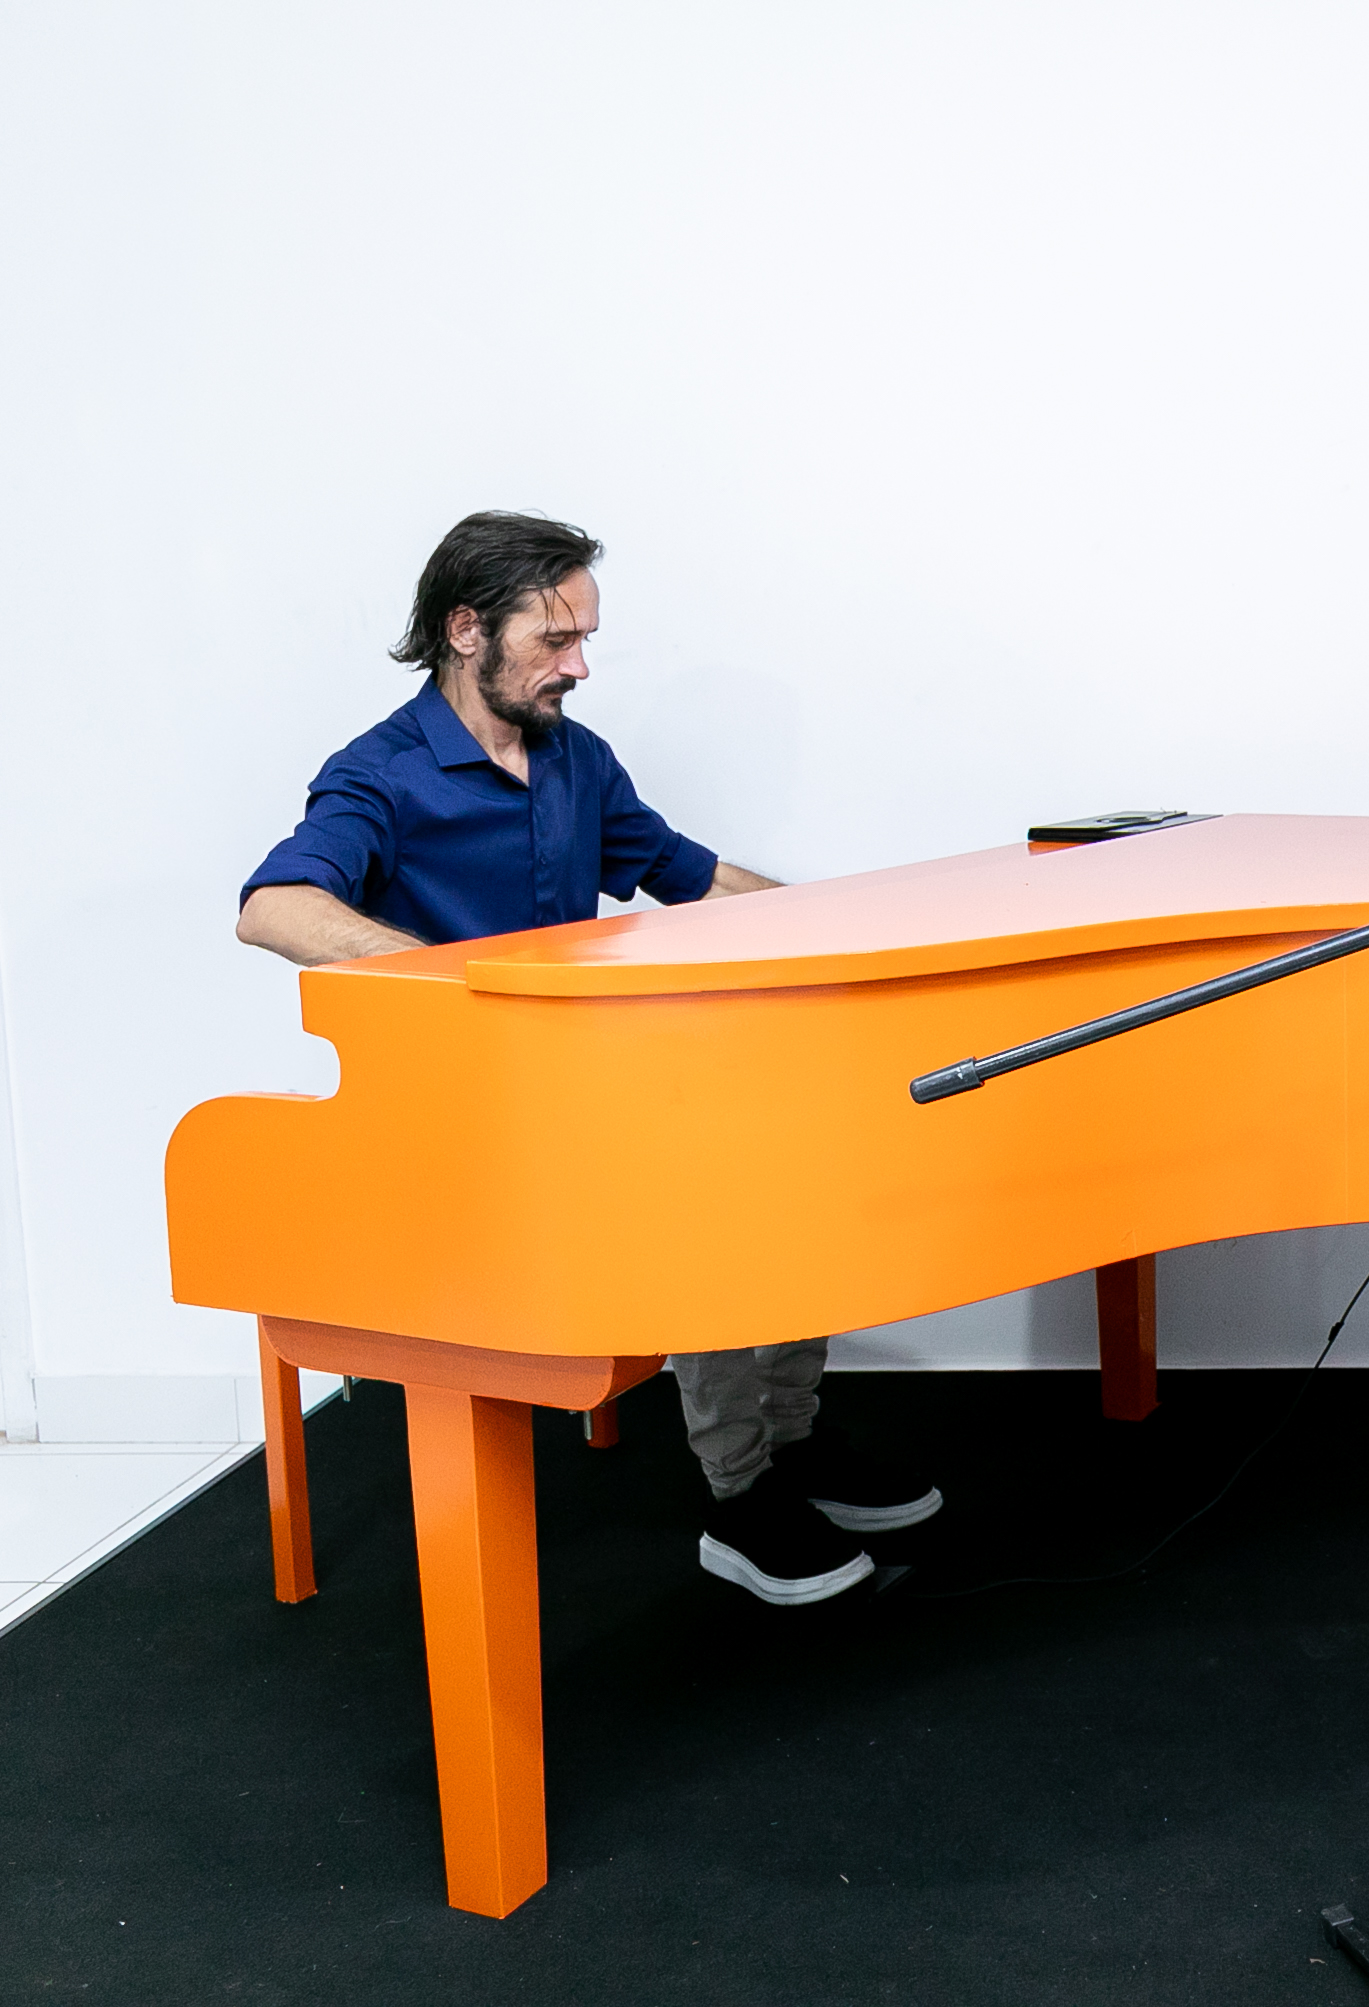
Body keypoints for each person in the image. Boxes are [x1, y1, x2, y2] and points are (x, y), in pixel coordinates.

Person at [238, 510, 943, 1607]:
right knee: (712, 1187)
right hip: (460, 1122)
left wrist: (850, 929)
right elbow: (274, 906)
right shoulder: (379, 774)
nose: (578, 666)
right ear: (466, 630)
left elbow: (692, 878)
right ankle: (740, 1494)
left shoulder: (575, 758)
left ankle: (792, 1439)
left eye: (584, 638)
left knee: (803, 1145)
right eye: (555, 639)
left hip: (575, 1094)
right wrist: (461, 985)